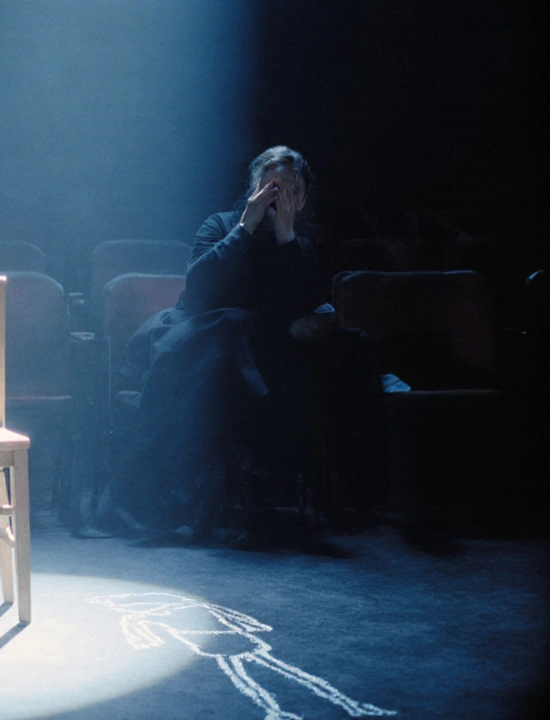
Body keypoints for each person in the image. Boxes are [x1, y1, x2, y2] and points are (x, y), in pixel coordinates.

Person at [108, 146, 384, 545]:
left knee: (338, 349)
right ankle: (174, 501)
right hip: (199, 339)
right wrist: (245, 228)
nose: (279, 196)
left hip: (259, 352)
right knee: (232, 327)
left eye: (291, 190)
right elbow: (200, 285)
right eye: (270, 187)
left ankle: (338, 498)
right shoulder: (220, 226)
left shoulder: (300, 243)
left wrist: (287, 237)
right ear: (253, 190)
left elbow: (303, 302)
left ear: (303, 199)